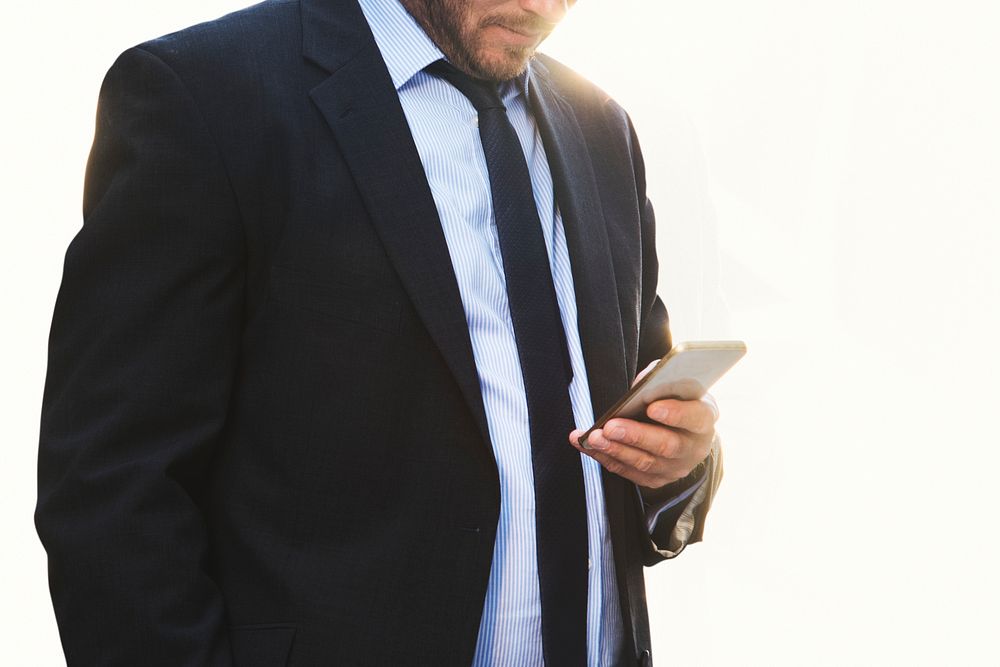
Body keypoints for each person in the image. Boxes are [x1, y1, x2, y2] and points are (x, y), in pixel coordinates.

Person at [36, 0, 724, 665]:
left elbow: (636, 415)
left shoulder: (602, 128)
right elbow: (111, 497)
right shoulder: (205, 97)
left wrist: (676, 464)